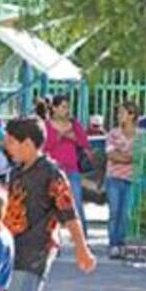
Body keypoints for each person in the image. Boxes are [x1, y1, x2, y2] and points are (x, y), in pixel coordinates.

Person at [2, 118, 96, 291]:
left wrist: (82, 249)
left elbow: (69, 213)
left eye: (11, 142)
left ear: (27, 143)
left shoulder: (52, 174)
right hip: (12, 247)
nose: (6, 146)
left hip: (37, 249)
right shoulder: (15, 173)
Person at [43, 94, 92, 232]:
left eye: (67, 107)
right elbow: (43, 147)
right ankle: (50, 236)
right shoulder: (46, 126)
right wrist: (58, 137)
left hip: (72, 169)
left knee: (76, 202)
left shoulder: (74, 124)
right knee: (51, 205)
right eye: (63, 107)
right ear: (54, 108)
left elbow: (85, 143)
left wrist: (73, 137)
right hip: (53, 170)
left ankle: (82, 234)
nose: (66, 110)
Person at [105, 101, 140, 259]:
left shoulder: (141, 135)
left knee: (126, 213)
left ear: (132, 115)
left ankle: (122, 243)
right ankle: (113, 244)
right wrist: (131, 158)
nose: (119, 116)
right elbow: (111, 155)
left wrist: (123, 156)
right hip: (114, 178)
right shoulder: (113, 133)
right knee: (114, 212)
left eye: (122, 113)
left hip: (132, 179)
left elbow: (145, 155)